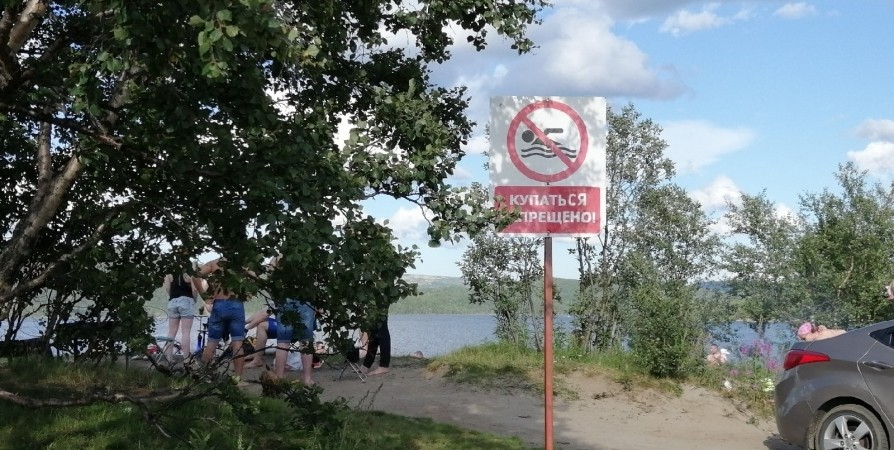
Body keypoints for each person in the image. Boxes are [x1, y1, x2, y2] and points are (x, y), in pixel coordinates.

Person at [192, 258, 248, 384]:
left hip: (219, 304)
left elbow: (195, 275)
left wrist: (205, 296)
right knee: (238, 342)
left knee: (212, 342)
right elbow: (255, 276)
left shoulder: (214, 263)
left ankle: (205, 376)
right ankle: (238, 378)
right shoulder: (240, 263)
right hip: (236, 304)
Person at [273, 298, 317, 385]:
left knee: (283, 342)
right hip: (305, 299)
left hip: (284, 299)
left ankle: (279, 378)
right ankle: (307, 379)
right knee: (306, 341)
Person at [162, 269, 200, 359]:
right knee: (186, 331)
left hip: (172, 301)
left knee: (171, 331)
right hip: (186, 300)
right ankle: (186, 358)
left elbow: (167, 288)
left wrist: (173, 296)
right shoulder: (190, 273)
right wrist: (194, 300)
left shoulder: (169, 274)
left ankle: (169, 357)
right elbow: (195, 290)